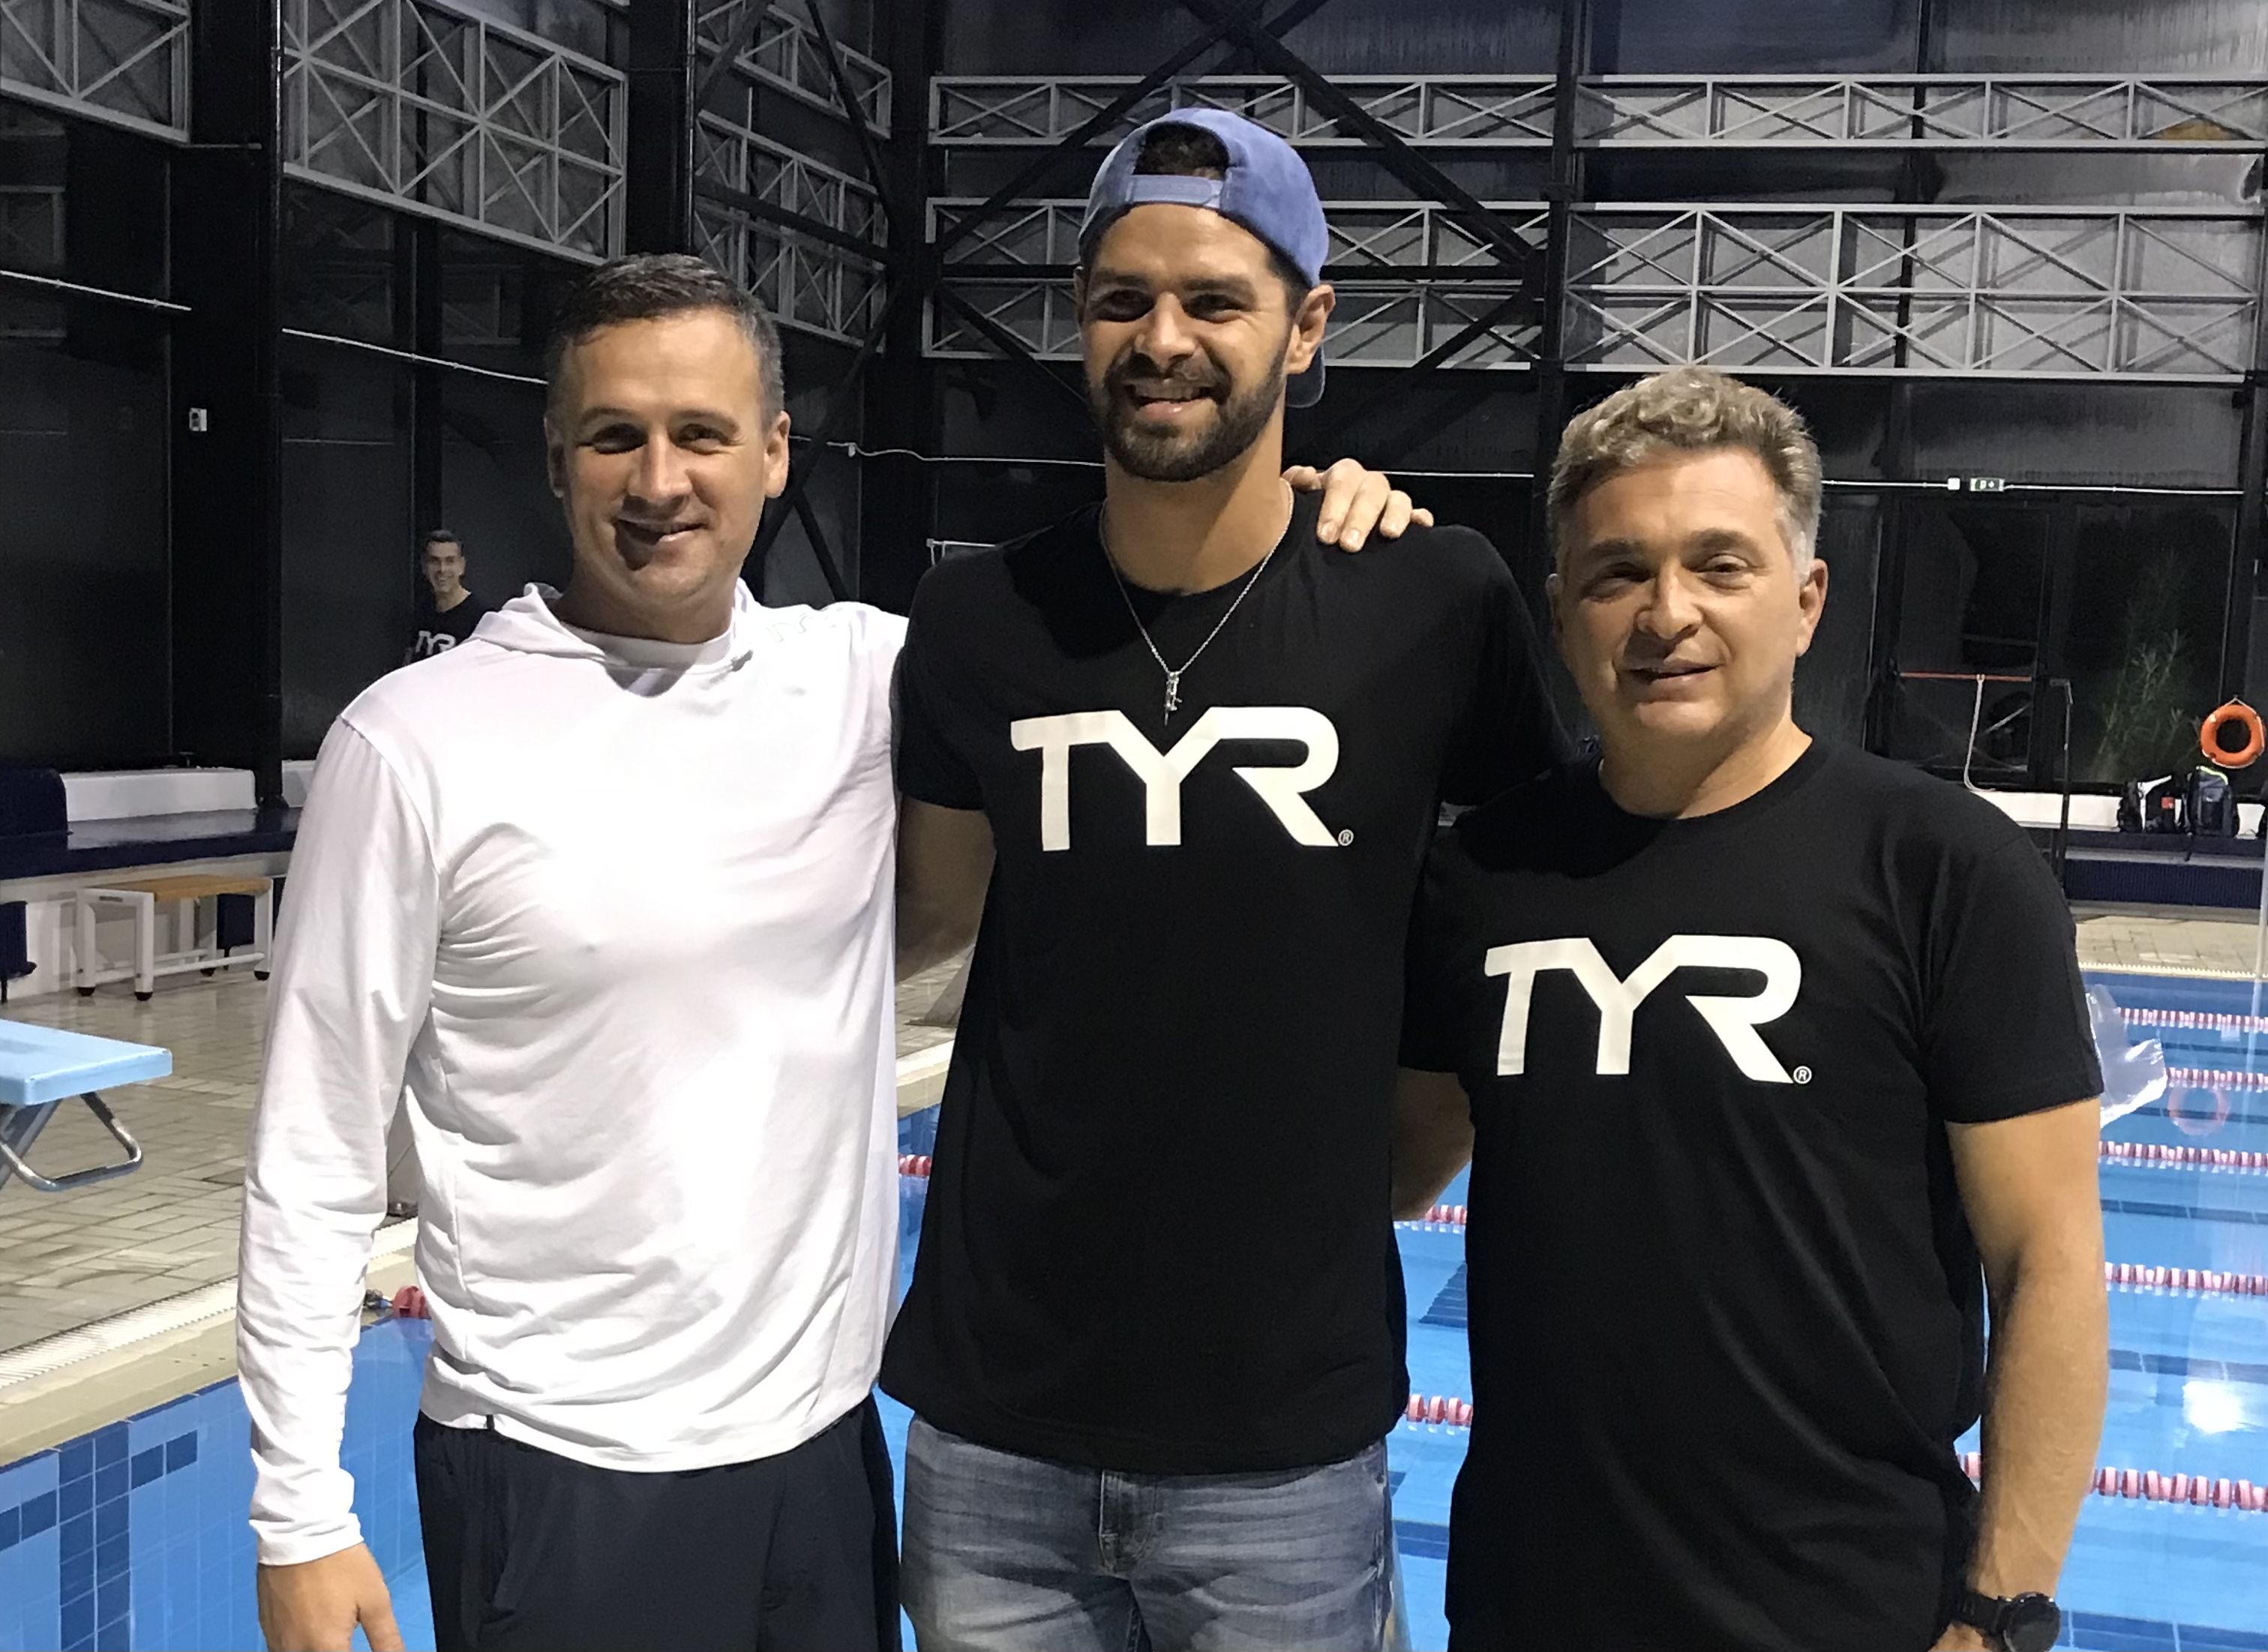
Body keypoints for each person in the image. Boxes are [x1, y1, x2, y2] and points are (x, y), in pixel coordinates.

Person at [238, 250, 1427, 1652]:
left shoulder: (866, 675)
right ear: (556, 459)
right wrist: (297, 1508)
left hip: (820, 1453)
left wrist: (1303, 511)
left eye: (702, 433)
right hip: (562, 1459)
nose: (660, 480)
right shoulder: (416, 742)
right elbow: (313, 1146)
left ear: (774, 453)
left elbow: (1146, 638)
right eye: (615, 436)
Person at [885, 109, 1566, 1652]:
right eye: (1122, 299)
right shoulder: (978, 619)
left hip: (1283, 1448)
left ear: (1306, 326)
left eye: (1213, 300)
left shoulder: (1429, 596)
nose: (1162, 340)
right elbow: (930, 916)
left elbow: (1526, 912)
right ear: (1079, 320)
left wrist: (1396, 1149)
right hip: (995, 1436)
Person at [1391, 367, 2108, 1652]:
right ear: (1560, 612)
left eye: (1718, 565)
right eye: (1617, 572)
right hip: (1528, 1603)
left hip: (1850, 1609)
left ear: (1806, 598)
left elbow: (2046, 1259)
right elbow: (1394, 1169)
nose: (1666, 612)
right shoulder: (1486, 871)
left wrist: (1998, 1615)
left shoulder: (1942, 866)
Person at [403, 530, 489, 663]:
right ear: (424, 567)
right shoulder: (422, 611)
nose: (442, 569)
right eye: (434, 561)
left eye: (450, 561)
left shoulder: (482, 618)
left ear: (462, 566)